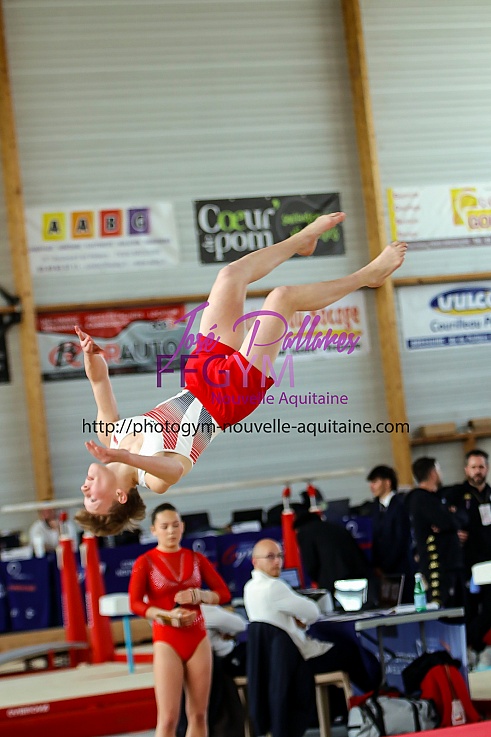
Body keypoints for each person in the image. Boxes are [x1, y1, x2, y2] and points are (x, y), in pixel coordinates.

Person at [75, 213, 407, 535]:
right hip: (227, 398)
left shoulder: (109, 435)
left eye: (84, 495)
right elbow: (174, 469)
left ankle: (302, 240)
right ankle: (369, 276)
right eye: (92, 499)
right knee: (282, 298)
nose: (84, 489)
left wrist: (91, 355)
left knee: (230, 275)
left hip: (199, 377)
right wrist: (123, 456)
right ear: (120, 497)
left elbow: (99, 380)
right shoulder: (153, 479)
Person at [128, 503, 231, 737]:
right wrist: (166, 616)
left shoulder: (195, 558)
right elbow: (135, 603)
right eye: (165, 527)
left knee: (199, 714)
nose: (171, 531)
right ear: (154, 530)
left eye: (175, 525)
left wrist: (201, 596)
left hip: (197, 637)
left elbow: (224, 593)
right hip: (167, 639)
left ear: (183, 527)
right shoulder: (145, 562)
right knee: (168, 719)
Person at [243, 538, 380, 695]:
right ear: (255, 561)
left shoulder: (249, 588)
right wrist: (303, 621)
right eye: (270, 557)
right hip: (299, 660)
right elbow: (313, 612)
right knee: (351, 652)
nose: (277, 561)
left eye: (280, 556)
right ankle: (375, 697)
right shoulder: (274, 586)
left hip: (276, 663)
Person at [445, 450, 491, 655]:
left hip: (488, 562)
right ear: (466, 469)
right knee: (469, 607)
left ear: (487, 468)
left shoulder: (489, 493)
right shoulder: (455, 495)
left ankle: (477, 645)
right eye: (473, 467)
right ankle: (468, 648)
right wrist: (454, 532)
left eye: (481, 467)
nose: (477, 471)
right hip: (467, 562)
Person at [407, 457, 466, 608]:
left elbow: (454, 520)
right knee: (444, 608)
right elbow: (447, 522)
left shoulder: (437, 498)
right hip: (439, 567)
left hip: (451, 564)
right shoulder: (421, 498)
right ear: (433, 473)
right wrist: (450, 519)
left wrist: (450, 519)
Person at [293, 511, 374, 601]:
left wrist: (318, 579)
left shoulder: (305, 532)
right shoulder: (336, 527)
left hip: (331, 581)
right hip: (358, 577)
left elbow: (310, 561)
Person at [367, 464, 415, 603]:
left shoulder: (400, 506)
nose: (371, 486)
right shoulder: (374, 508)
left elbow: (402, 540)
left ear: (387, 482)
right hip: (383, 573)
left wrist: (386, 566)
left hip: (401, 569)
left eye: (375, 481)